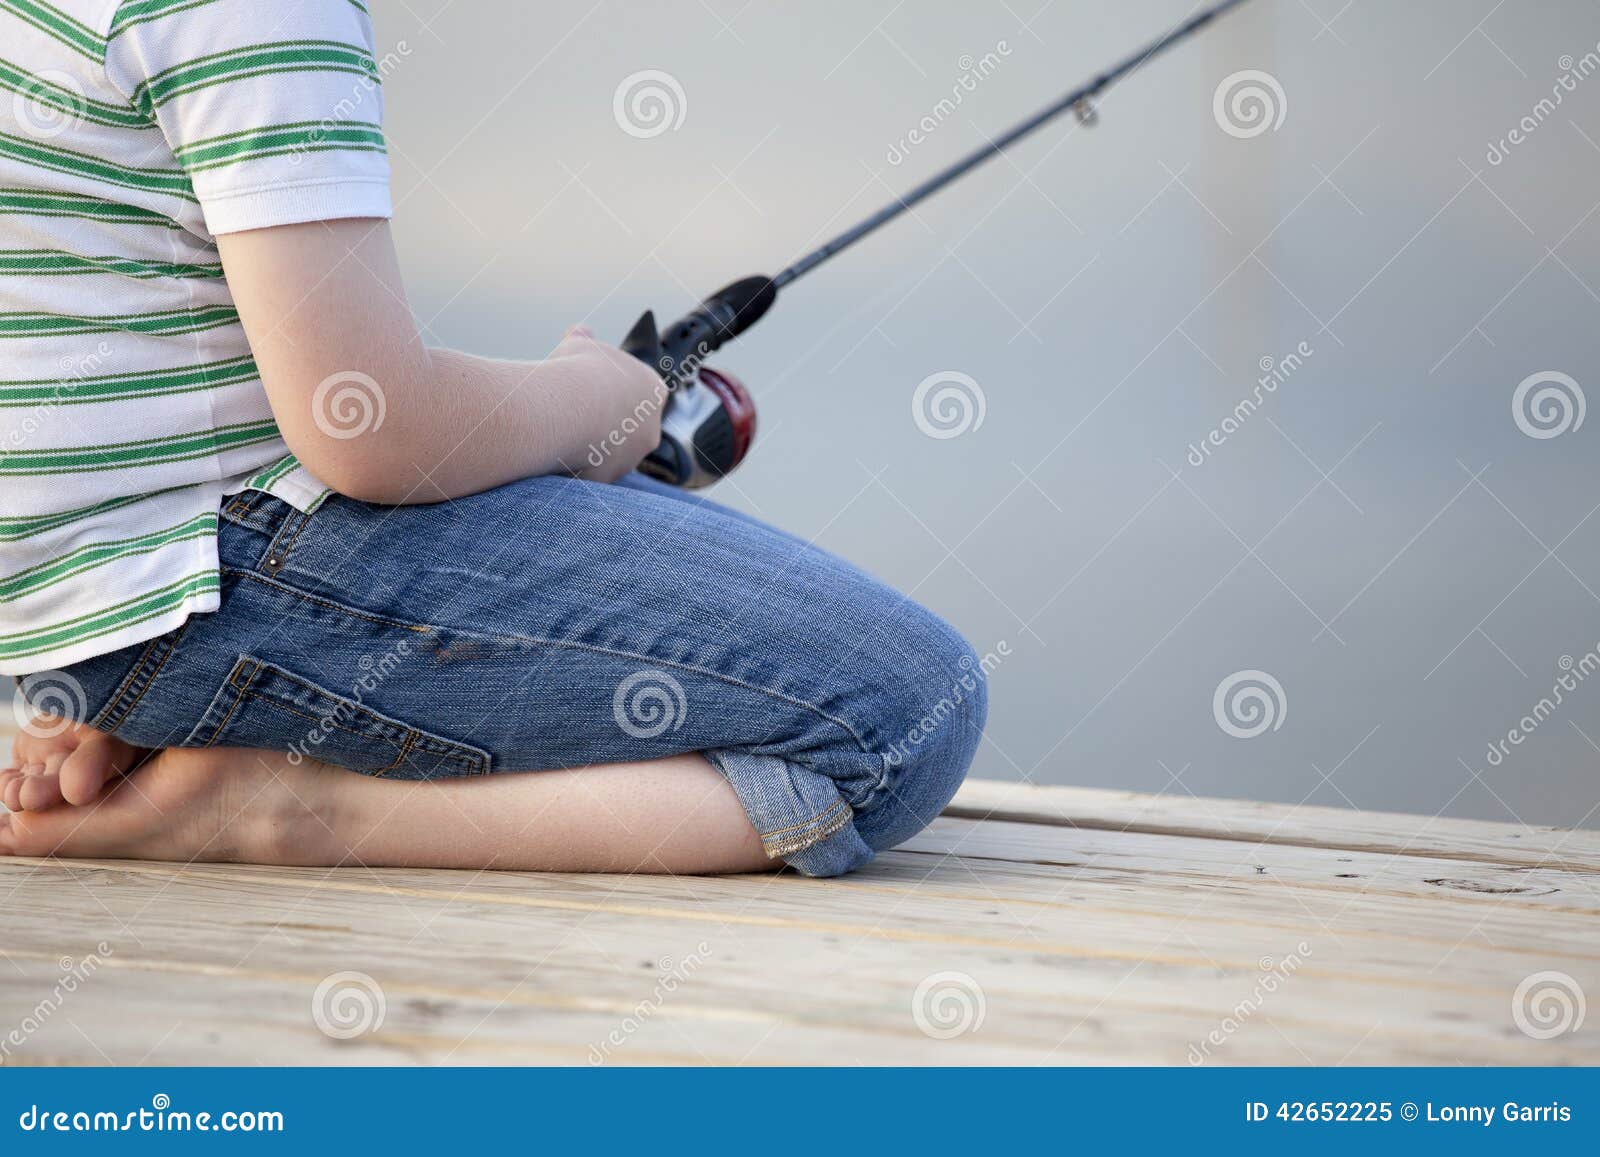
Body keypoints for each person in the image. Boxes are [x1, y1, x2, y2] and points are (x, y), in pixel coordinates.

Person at [0, 0, 986, 877]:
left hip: (65, 620)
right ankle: (292, 806)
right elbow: (371, 423)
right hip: (222, 577)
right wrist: (591, 400)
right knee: (900, 710)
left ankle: (153, 711)